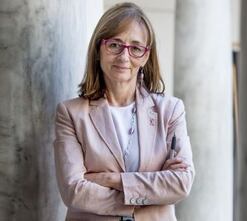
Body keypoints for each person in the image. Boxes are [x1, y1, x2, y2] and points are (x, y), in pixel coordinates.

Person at [53, 3, 195, 221]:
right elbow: (74, 190)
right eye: (114, 45)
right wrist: (149, 197)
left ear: (146, 56)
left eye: (136, 48)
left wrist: (113, 180)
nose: (124, 57)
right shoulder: (70, 113)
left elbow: (181, 182)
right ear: (99, 49)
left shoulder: (170, 110)